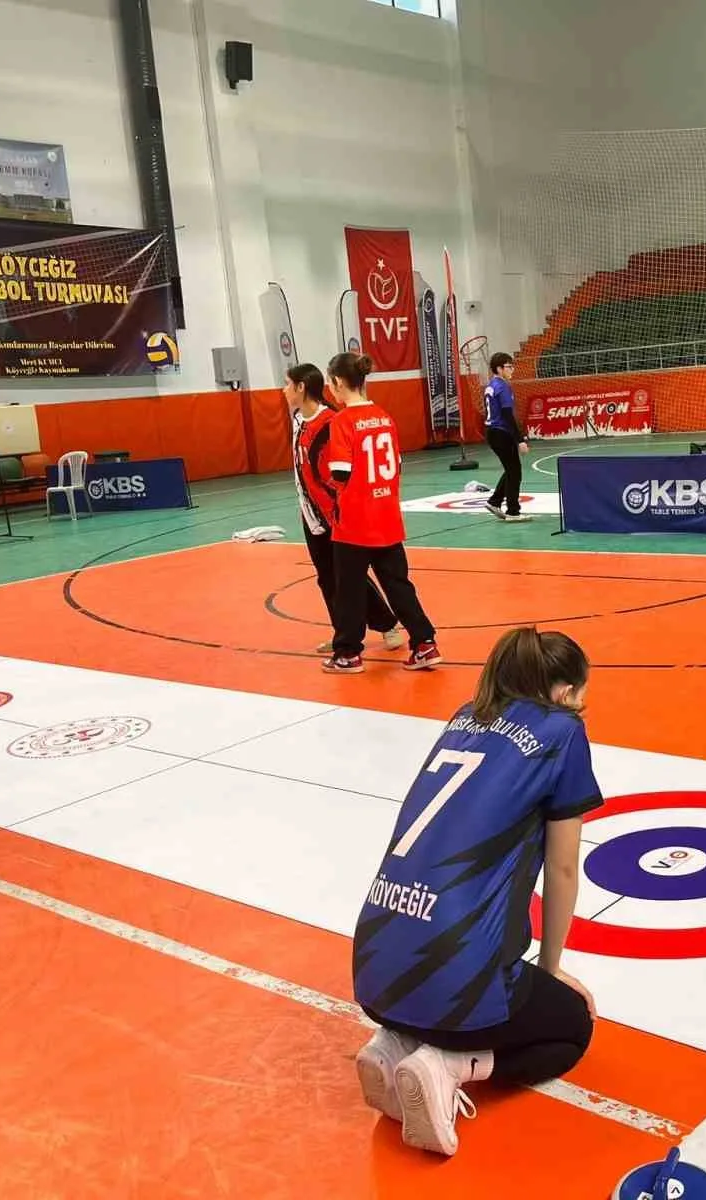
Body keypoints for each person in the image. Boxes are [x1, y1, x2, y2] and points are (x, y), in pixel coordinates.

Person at [351, 628, 602, 1156]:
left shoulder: (465, 716)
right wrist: (551, 970)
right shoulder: (561, 731)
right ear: (560, 693)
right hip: (457, 972)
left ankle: (394, 1040)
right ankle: (451, 1064)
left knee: (464, 972)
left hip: (374, 965)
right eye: (580, 693)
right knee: (572, 1028)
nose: (582, 705)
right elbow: (561, 870)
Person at [323, 352, 442, 673]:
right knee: (399, 585)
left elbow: (341, 472)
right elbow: (397, 466)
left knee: (348, 590)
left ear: (337, 382)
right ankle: (425, 643)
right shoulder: (385, 417)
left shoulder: (342, 422)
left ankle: (347, 653)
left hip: (355, 522)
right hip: (387, 517)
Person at [285, 362, 404, 655]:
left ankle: (387, 624)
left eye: (288, 384)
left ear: (302, 387)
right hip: (311, 512)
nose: (284, 390)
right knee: (327, 577)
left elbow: (342, 474)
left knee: (350, 577)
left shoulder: (331, 422)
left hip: (337, 514)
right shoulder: (298, 419)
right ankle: (342, 633)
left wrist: (337, 509)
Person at [482, 352, 531, 522]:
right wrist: (519, 439)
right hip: (501, 432)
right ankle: (513, 511)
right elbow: (507, 414)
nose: (512, 369)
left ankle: (495, 501)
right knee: (514, 471)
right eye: (509, 366)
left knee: (511, 470)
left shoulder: (491, 385)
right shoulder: (502, 386)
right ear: (499, 368)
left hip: (493, 432)